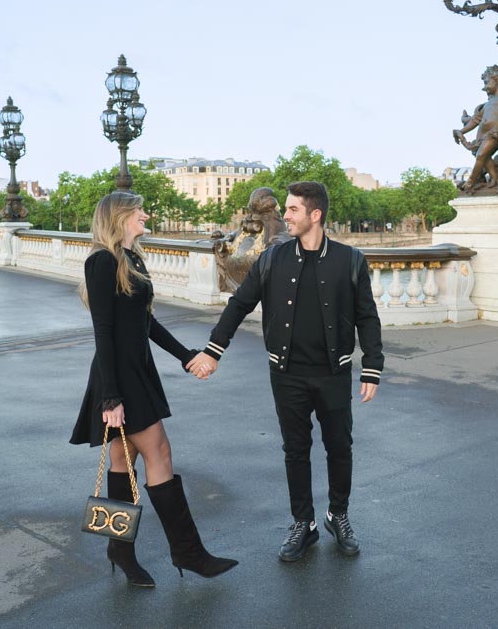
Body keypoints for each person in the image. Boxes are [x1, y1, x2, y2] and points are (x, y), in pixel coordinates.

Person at [187, 181, 383, 562]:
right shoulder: (273, 259)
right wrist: (214, 351)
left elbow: (367, 317)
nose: (284, 216)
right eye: (286, 209)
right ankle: (303, 523)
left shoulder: (350, 259)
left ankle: (337, 516)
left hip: (334, 373)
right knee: (296, 450)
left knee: (339, 447)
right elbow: (239, 304)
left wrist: (372, 367)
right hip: (286, 373)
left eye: (292, 210)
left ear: (316, 215)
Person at [70, 191, 237, 587]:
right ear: (120, 217)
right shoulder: (102, 261)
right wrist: (110, 397)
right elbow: (104, 332)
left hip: (135, 371)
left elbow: (146, 324)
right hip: (119, 377)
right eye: (138, 211)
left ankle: (121, 550)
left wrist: (185, 355)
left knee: (122, 460)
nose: (146, 214)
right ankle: (188, 552)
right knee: (158, 451)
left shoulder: (131, 259)